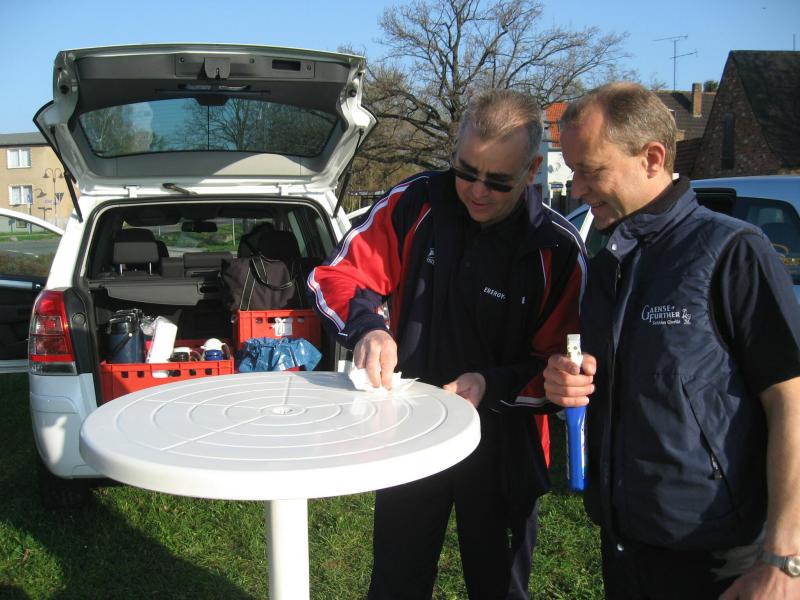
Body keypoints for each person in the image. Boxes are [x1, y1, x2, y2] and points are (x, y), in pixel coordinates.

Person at [308, 89, 586, 599]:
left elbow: (562, 370)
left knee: (498, 588)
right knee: (397, 584)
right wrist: (368, 327)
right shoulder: (416, 202)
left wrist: (490, 384)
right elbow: (336, 276)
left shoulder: (557, 248)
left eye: (497, 181)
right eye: (465, 171)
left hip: (505, 447)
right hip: (410, 431)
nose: (477, 192)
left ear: (532, 171)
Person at [543, 81, 800, 598]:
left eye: (589, 170)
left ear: (652, 159)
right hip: (625, 544)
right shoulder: (607, 263)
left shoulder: (732, 251)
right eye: (571, 171)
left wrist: (784, 558)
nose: (576, 189)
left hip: (719, 558)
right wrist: (566, 384)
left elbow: (791, 400)